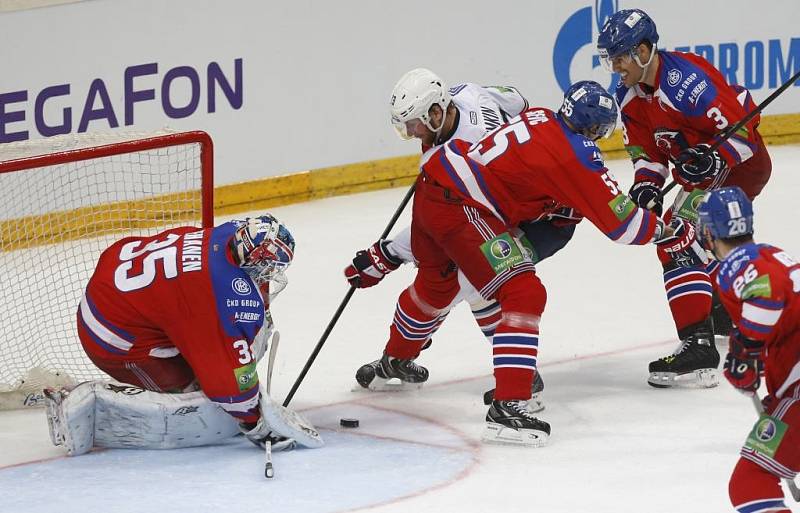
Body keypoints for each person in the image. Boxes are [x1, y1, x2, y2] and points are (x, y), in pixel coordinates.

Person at [355, 80, 703, 447]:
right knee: (522, 291)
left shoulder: (540, 116)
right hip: (465, 207)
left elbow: (516, 107)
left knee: (436, 288)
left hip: (437, 184)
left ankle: (393, 363)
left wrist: (386, 253)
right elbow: (623, 226)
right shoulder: (577, 153)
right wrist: (666, 231)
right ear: (596, 130)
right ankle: (509, 404)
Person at [346, 68, 579, 409]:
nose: (412, 133)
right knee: (434, 283)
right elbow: (518, 101)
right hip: (499, 204)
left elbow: (451, 224)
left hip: (536, 218)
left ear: (437, 113)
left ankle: (520, 377)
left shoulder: (465, 152)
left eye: (415, 124)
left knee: (476, 279)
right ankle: (397, 358)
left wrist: (390, 252)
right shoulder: (467, 93)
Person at [43, 214, 323, 455]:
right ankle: (85, 405)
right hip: (113, 335)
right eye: (268, 269)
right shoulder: (220, 296)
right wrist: (255, 421)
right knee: (197, 398)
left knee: (216, 342)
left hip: (117, 284)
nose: (269, 276)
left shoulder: (229, 235)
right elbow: (226, 387)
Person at [596, 8, 773, 388]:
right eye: (611, 58)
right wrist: (646, 184)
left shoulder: (687, 83)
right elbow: (649, 155)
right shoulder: (627, 95)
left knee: (677, 235)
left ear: (644, 51)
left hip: (742, 165)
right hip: (704, 171)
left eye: (621, 56)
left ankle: (699, 347)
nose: (615, 65)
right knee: (693, 241)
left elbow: (744, 138)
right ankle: (734, 309)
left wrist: (714, 156)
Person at [696, 187, 800, 513]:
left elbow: (767, 294)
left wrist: (745, 352)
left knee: (750, 483)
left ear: (709, 232)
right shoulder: (771, 253)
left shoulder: (737, 265)